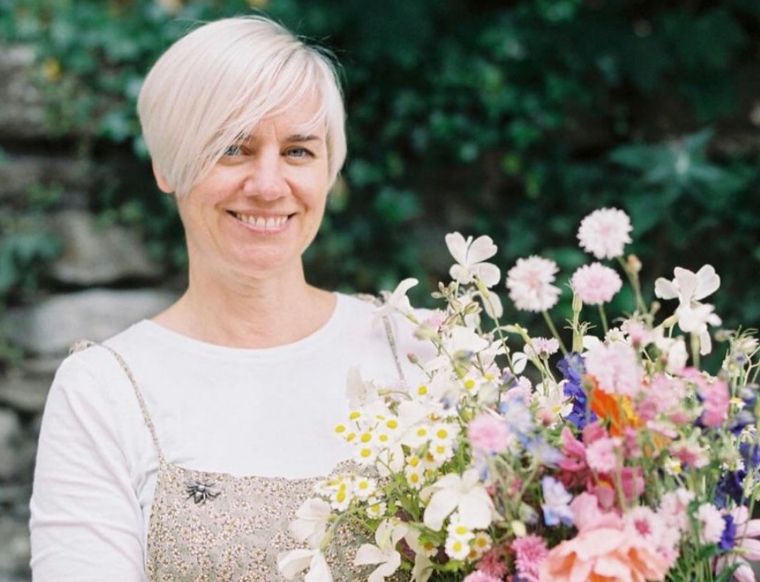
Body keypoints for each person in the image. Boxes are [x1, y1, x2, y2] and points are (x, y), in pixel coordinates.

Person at [30, 16, 423, 582]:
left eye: (298, 152)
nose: (268, 185)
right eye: (234, 149)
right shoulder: (104, 390)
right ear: (167, 166)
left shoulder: (417, 346)